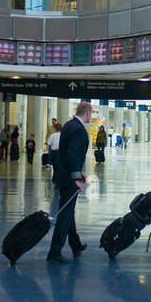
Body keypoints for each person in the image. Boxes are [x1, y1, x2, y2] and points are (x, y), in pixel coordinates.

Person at [46, 102, 92, 262]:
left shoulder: (68, 125)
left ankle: (75, 245)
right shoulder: (78, 130)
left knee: (68, 211)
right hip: (69, 179)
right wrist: (76, 178)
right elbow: (73, 154)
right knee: (65, 215)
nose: (91, 117)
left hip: (62, 175)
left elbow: (65, 154)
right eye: (90, 114)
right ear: (86, 113)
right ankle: (54, 252)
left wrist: (79, 172)